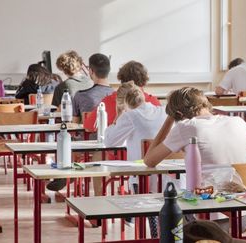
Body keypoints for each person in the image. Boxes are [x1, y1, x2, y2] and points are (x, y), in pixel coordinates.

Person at [143, 87, 246, 232]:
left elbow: (149, 160)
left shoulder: (185, 127)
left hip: (205, 222)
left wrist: (169, 119)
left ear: (179, 114)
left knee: (168, 213)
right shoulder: (238, 122)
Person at [103, 81, 166, 238]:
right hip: (171, 177)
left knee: (135, 178)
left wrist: (119, 114)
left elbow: (109, 141)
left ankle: (148, 232)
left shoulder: (131, 116)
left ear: (122, 104)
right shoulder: (164, 111)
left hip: (145, 180)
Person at [46, 53, 113, 192]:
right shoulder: (117, 94)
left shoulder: (82, 95)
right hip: (115, 142)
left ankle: (63, 177)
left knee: (65, 139)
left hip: (90, 143)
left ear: (91, 71)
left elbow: (75, 124)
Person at [83, 60, 160, 132]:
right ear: (144, 81)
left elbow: (88, 127)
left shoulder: (107, 101)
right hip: (145, 146)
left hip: (115, 144)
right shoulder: (154, 103)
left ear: (121, 80)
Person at [71, 53, 114, 124]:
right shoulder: (118, 96)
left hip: (88, 134)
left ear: (91, 71)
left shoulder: (80, 96)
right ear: (109, 70)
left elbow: (75, 125)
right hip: (112, 135)